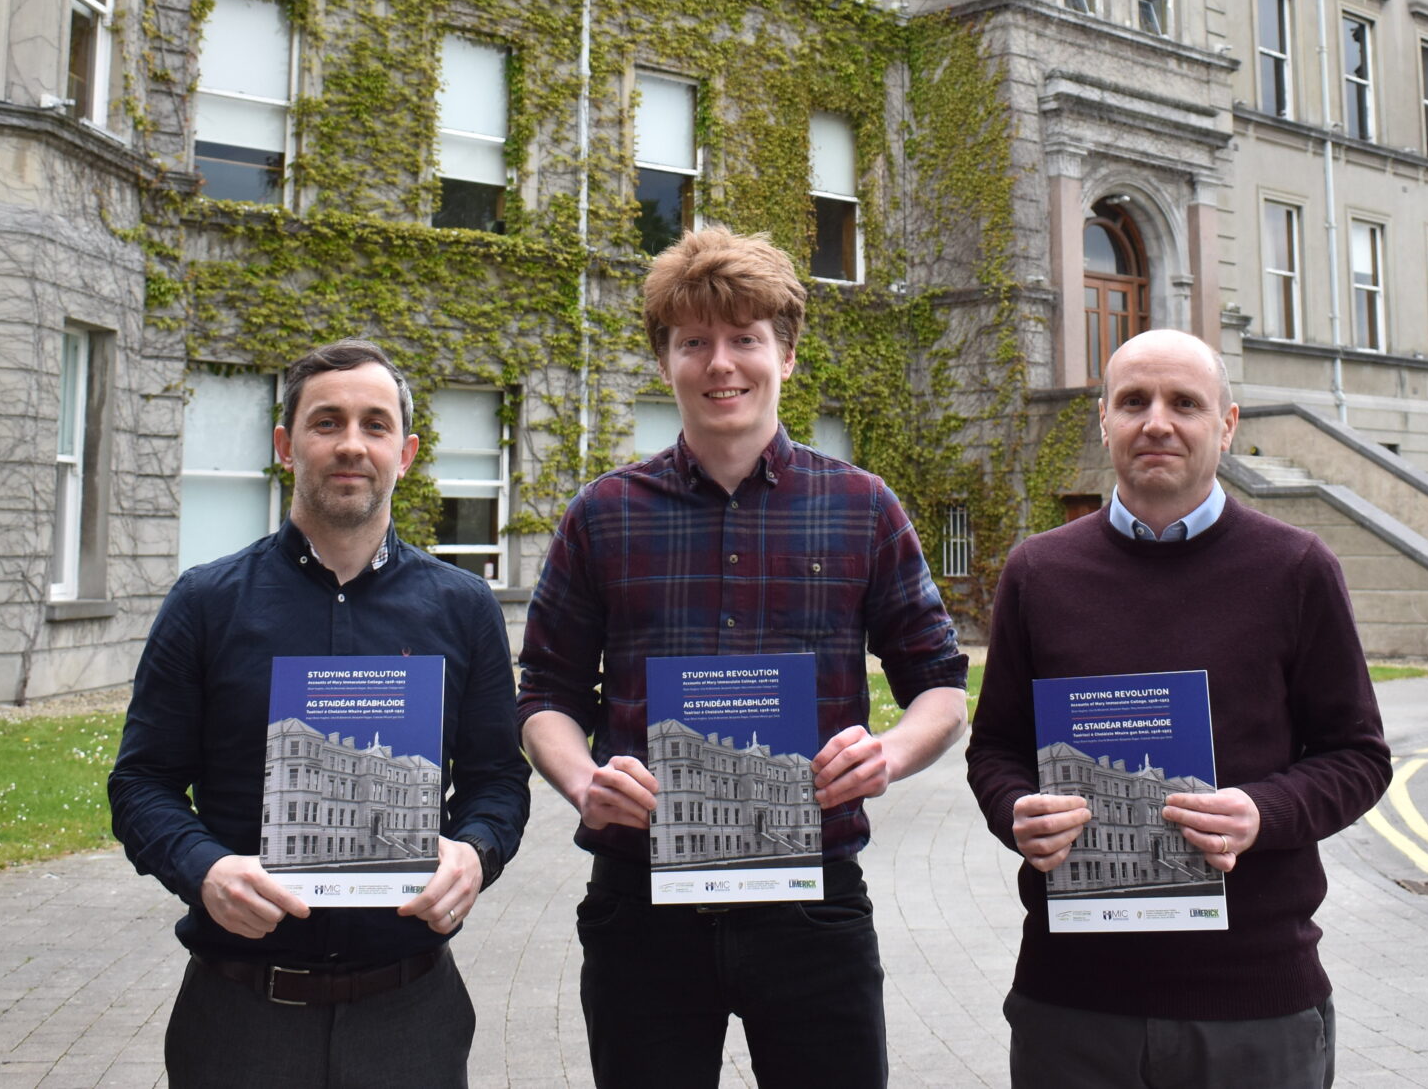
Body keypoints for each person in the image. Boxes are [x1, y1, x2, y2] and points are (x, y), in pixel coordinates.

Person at [518, 227, 969, 1089]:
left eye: (744, 339)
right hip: (640, 899)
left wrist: (888, 753)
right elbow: (546, 692)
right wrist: (582, 779)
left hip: (812, 902)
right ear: (666, 363)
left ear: (786, 355)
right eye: (695, 342)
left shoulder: (862, 506)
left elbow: (940, 685)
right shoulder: (603, 514)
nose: (721, 363)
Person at [965, 328, 1391, 1089]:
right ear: (1104, 420)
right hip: (1074, 1000)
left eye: (1184, 402)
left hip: (1252, 1000)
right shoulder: (1039, 572)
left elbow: (1358, 754)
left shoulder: (1296, 569)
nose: (1156, 421)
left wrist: (1264, 811)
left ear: (1225, 425)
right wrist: (1015, 810)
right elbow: (994, 748)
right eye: (1134, 401)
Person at [110, 339, 529, 1089]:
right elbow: (141, 782)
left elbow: (499, 779)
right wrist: (204, 871)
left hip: (410, 1010)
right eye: (326, 421)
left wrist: (475, 853)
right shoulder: (206, 603)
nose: (350, 444)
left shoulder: (464, 610)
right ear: (285, 444)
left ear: (406, 451)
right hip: (240, 1016)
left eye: (374, 424)